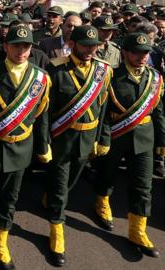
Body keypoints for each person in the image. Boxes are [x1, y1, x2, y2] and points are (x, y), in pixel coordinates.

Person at [0, 25, 50, 270]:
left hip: (21, 147)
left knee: (9, 200)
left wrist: (43, 145)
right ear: (5, 47)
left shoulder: (40, 78)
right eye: (16, 45)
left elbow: (42, 116)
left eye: (26, 46)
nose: (21, 51)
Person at [45, 25, 112, 267]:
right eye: (85, 45)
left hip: (87, 138)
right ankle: (57, 231)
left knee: (71, 180)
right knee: (61, 187)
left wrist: (103, 138)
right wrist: (45, 141)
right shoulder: (56, 69)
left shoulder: (103, 71)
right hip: (62, 138)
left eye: (94, 46)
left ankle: (50, 197)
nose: (89, 50)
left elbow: (104, 108)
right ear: (72, 44)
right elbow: (46, 111)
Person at [93, 32, 165, 258]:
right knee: (107, 175)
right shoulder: (112, 76)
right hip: (116, 135)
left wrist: (162, 141)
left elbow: (159, 112)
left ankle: (138, 230)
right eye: (137, 52)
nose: (142, 57)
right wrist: (103, 138)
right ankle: (102, 203)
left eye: (146, 53)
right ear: (124, 52)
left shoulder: (155, 78)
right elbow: (103, 113)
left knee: (143, 186)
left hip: (144, 137)